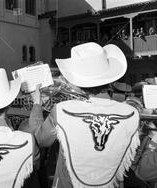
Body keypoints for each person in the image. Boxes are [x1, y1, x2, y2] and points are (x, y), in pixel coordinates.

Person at [33, 42, 140, 188]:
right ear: (110, 80)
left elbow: (41, 141)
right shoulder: (132, 113)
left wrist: (37, 104)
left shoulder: (62, 110)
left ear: (77, 83)